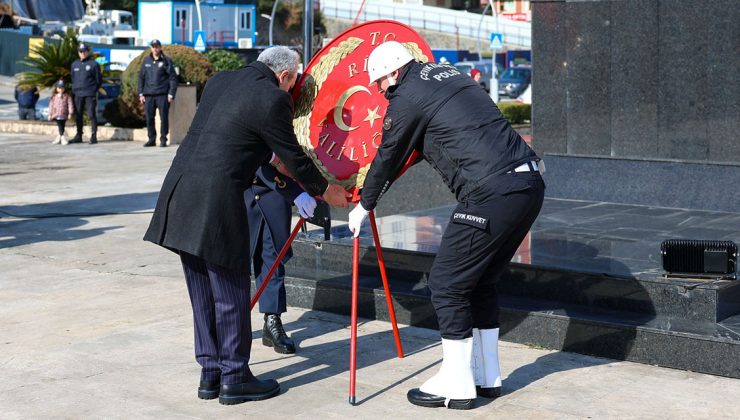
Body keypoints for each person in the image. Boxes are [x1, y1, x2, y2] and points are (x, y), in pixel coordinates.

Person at [143, 46, 348, 406]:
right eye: (294, 81)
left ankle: (210, 373)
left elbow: (233, 135)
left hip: (179, 193)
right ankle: (235, 377)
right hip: (216, 201)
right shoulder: (272, 98)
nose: (292, 88)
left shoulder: (221, 81)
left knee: (202, 292)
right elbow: (293, 157)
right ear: (284, 76)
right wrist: (326, 191)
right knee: (230, 294)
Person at [349, 41, 545, 410]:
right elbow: (439, 138)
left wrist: (364, 203)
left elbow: (390, 152)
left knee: (445, 283)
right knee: (480, 281)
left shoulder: (407, 94)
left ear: (394, 72)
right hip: (528, 184)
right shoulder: (447, 75)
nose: (379, 91)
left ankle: (456, 382)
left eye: (379, 84)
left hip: (492, 191)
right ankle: (487, 376)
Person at [245, 164, 316, 355]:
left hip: (275, 189)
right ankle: (232, 322)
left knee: (273, 255)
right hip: (239, 186)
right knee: (235, 259)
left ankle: (272, 320)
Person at [138, 39, 178, 147]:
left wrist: (171, 94)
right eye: (153, 46)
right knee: (149, 118)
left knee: (163, 118)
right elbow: (141, 78)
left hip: (162, 94)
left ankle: (163, 139)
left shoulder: (166, 61)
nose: (155, 49)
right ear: (150, 48)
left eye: (157, 46)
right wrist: (140, 94)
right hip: (148, 94)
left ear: (160, 47)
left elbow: (173, 78)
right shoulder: (146, 61)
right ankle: (151, 139)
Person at [70, 43, 102, 144]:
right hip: (78, 93)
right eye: (80, 51)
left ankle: (93, 136)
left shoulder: (93, 64)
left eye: (84, 51)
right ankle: (79, 135)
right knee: (78, 115)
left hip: (89, 93)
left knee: (91, 114)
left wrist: (93, 90)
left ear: (88, 52)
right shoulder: (74, 64)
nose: (82, 53)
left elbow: (98, 80)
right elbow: (73, 78)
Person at [47, 80, 74, 145]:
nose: (61, 89)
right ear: (56, 88)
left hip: (64, 114)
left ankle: (60, 137)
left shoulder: (67, 96)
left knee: (62, 125)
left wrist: (70, 113)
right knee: (60, 126)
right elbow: (51, 105)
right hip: (56, 114)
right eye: (59, 88)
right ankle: (62, 137)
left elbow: (70, 104)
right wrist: (50, 114)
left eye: (62, 87)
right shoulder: (54, 96)